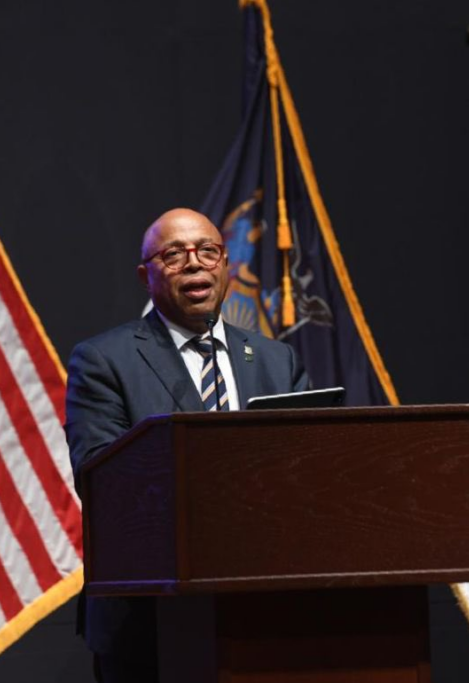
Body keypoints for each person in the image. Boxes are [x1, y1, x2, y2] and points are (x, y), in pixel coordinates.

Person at [64, 208, 310, 682]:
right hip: (152, 621)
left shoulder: (277, 361)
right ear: (146, 275)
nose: (195, 263)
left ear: (224, 265)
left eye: (208, 251)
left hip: (269, 612)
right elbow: (101, 479)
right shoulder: (104, 361)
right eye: (174, 255)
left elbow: (315, 470)